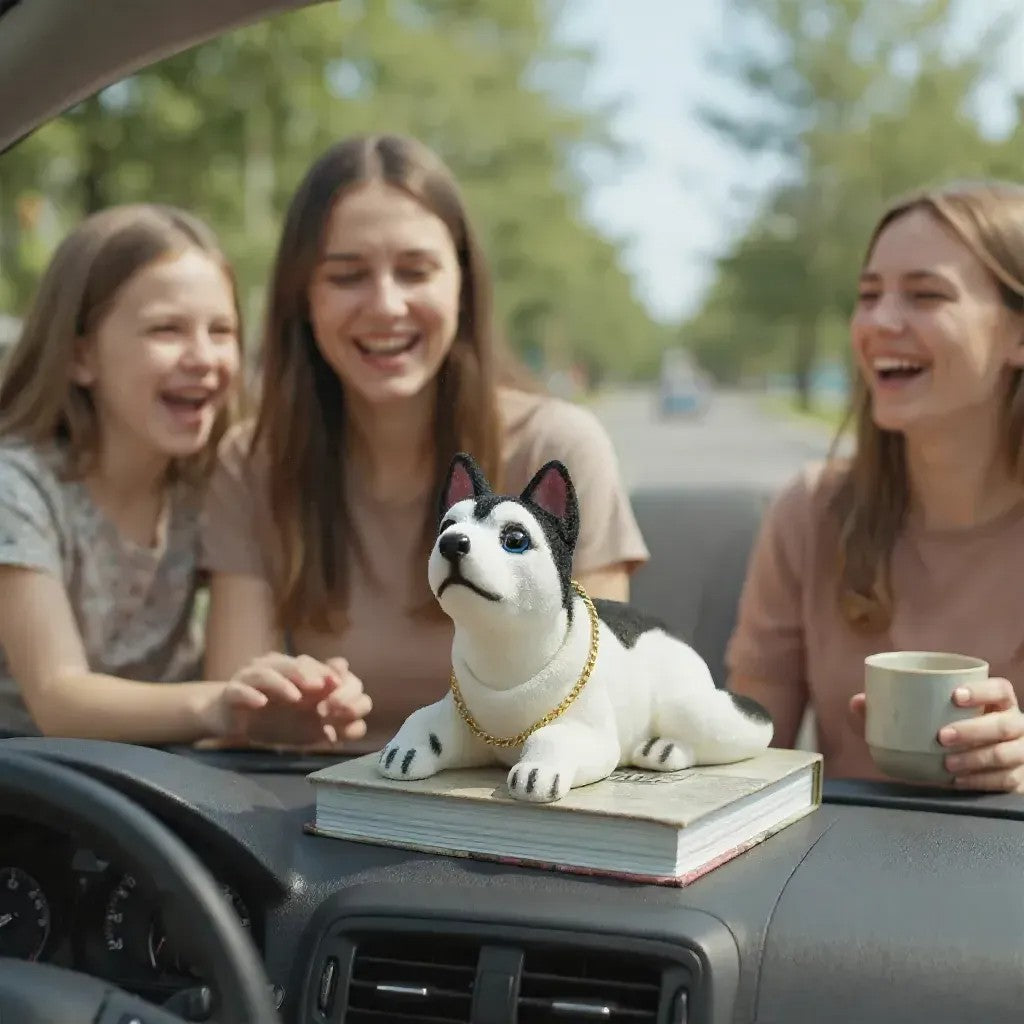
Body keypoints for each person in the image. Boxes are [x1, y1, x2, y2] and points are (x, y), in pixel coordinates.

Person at [201, 133, 649, 752]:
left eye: (415, 271)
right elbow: (236, 702)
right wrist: (276, 707)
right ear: (303, 296)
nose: (386, 305)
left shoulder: (558, 448)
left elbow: (597, 706)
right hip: (314, 809)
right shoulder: (252, 463)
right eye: (347, 275)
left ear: (462, 285)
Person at [0, 203, 368, 746]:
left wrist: (293, 693)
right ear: (81, 356)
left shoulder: (211, 482)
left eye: (221, 331)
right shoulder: (19, 488)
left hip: (159, 786)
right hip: (34, 795)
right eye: (166, 329)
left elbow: (242, 658)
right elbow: (58, 697)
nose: (204, 357)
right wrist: (218, 702)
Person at [728, 180, 1024, 793]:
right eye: (868, 295)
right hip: (846, 871)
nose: (880, 321)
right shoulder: (811, 511)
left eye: (925, 294)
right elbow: (746, 761)